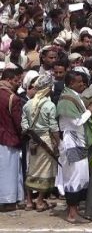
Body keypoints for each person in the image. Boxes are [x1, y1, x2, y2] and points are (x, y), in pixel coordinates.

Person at [56, 68, 92, 224]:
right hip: (71, 142)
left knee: (81, 176)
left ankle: (74, 211)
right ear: (71, 83)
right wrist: (89, 111)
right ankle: (72, 214)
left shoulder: (74, 96)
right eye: (79, 82)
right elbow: (76, 122)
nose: (82, 84)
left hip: (78, 141)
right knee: (74, 177)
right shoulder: (67, 99)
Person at [21, 73, 59, 212]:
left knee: (31, 168)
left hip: (33, 140)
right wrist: (57, 141)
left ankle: (29, 201)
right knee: (45, 171)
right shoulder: (49, 105)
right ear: (48, 88)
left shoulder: (28, 104)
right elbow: (53, 126)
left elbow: (24, 125)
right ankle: (40, 201)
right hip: (46, 140)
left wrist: (32, 133)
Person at [0, 63, 24, 211]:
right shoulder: (12, 99)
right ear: (9, 80)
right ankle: (8, 200)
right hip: (8, 138)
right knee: (9, 171)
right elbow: (18, 122)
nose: (18, 83)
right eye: (16, 81)